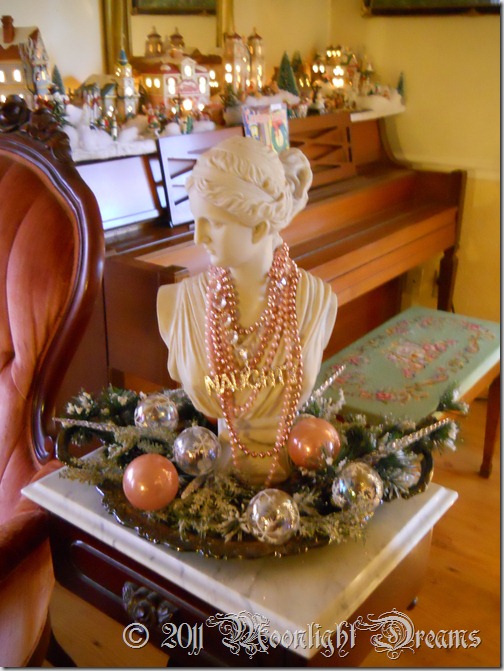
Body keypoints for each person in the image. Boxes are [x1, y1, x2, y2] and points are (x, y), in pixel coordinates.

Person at [157, 136, 337, 486]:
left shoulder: (315, 301)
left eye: (214, 223)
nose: (198, 238)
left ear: (260, 226)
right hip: (215, 484)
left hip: (293, 484)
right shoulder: (179, 304)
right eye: (196, 221)